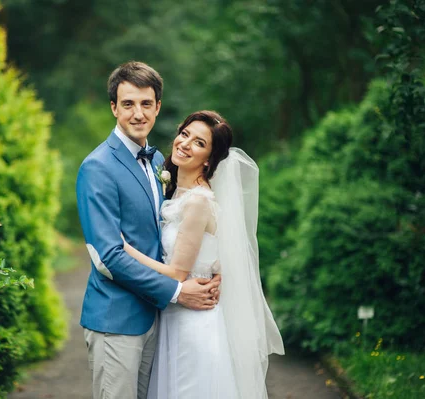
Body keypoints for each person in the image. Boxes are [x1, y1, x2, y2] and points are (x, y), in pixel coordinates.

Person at [76, 62, 221, 399]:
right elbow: (107, 256)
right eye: (128, 104)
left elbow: (185, 229)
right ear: (113, 107)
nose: (137, 113)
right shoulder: (97, 167)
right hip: (117, 322)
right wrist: (176, 290)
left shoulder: (160, 164)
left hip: (160, 320)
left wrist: (217, 273)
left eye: (145, 103)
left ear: (158, 107)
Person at [122, 110, 285, 398]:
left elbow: (177, 273)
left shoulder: (198, 201)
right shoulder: (175, 191)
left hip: (192, 325)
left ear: (209, 159)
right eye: (184, 134)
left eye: (199, 143)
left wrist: (125, 249)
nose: (185, 144)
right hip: (173, 318)